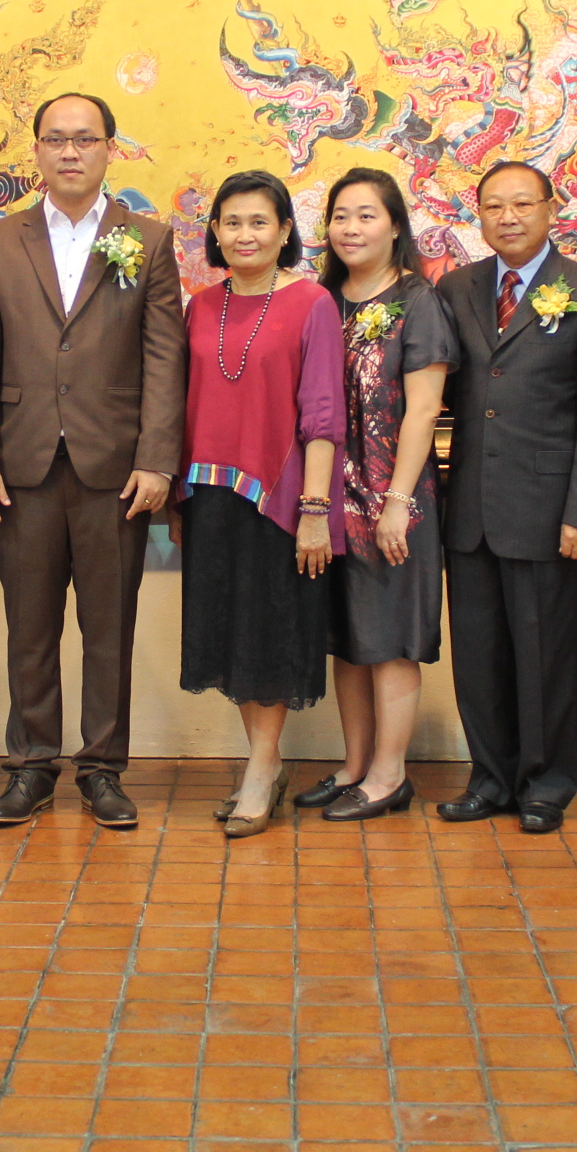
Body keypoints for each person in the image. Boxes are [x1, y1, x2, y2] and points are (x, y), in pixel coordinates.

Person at [0, 92, 186, 829]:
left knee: (109, 627)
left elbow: (164, 356)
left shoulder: (146, 239)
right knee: (28, 627)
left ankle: (103, 769)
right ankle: (30, 765)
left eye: (85, 139)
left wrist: (157, 459)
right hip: (20, 465)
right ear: (36, 151)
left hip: (114, 468)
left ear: (109, 149)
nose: (69, 151)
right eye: (55, 138)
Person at [435, 160, 577, 832]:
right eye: (494, 206)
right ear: (479, 215)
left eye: (522, 204)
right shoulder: (456, 288)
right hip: (470, 510)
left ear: (552, 209)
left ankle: (545, 785)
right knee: (478, 655)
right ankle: (489, 779)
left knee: (543, 656)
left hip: (549, 513)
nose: (508, 217)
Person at [175, 171, 345, 838]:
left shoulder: (312, 303)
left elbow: (323, 414)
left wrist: (314, 510)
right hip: (208, 496)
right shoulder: (200, 306)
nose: (244, 235)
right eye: (232, 222)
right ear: (215, 231)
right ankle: (264, 764)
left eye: (259, 222)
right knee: (231, 636)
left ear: (284, 231)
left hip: (279, 499)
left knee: (268, 636)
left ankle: (261, 767)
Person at [309, 169, 458, 823]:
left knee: (391, 639)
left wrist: (398, 501)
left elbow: (424, 410)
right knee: (348, 635)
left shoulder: (418, 302)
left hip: (395, 499)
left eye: (366, 215)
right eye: (341, 215)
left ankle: (390, 775)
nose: (351, 228)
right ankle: (355, 765)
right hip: (328, 500)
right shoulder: (321, 300)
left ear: (395, 226)